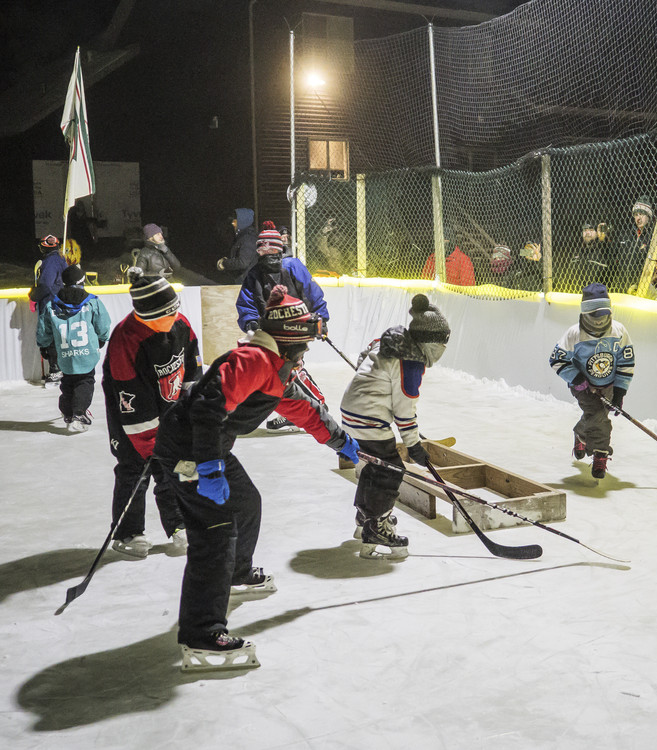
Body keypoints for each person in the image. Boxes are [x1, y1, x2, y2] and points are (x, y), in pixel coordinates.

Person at [154, 285, 359, 668]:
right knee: (214, 536)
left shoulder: (276, 367)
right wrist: (210, 467)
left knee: (247, 504)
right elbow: (208, 405)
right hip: (191, 449)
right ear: (291, 338)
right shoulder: (253, 360)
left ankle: (237, 574)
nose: (308, 351)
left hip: (209, 447)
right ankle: (202, 633)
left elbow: (304, 409)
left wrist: (339, 440)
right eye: (306, 342)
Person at [340, 294, 450, 559]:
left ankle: (365, 517)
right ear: (431, 342)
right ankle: (376, 526)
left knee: (376, 467)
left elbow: (364, 354)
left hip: (351, 412)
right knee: (391, 470)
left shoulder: (390, 343)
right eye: (443, 342)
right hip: (368, 419)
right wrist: (414, 446)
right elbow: (404, 411)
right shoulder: (411, 362)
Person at [103, 272, 203, 559]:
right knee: (136, 469)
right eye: (167, 313)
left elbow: (193, 368)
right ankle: (127, 531)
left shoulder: (179, 323)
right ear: (149, 315)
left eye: (176, 309)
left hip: (169, 410)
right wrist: (155, 448)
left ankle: (178, 524)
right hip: (131, 417)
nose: (175, 316)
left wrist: (191, 408)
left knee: (173, 468)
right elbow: (133, 403)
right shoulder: (127, 340)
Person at [236, 221, 330, 432]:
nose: (267, 253)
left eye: (272, 249)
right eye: (262, 249)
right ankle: (296, 410)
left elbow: (313, 294)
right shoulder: (254, 275)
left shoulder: (293, 266)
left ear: (280, 249)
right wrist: (251, 322)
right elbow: (246, 304)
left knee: (290, 369)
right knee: (276, 374)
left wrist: (321, 319)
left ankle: (317, 405)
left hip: (297, 328)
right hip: (271, 332)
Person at [549, 283, 635, 479]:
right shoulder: (574, 334)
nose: (600, 322)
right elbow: (556, 360)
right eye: (596, 317)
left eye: (604, 316)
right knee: (598, 416)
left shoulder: (619, 331)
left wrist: (620, 390)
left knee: (596, 416)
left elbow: (626, 361)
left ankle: (581, 434)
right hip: (583, 387)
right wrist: (576, 378)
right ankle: (600, 455)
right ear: (586, 314)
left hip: (609, 386)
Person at [35, 264, 111, 431]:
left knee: (68, 383)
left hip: (65, 354)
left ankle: (67, 412)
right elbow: (103, 324)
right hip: (86, 353)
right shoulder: (92, 302)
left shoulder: (51, 305)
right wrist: (102, 339)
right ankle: (78, 412)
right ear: (82, 281)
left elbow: (44, 329)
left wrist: (44, 345)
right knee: (85, 381)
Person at [29, 235, 69, 383]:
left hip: (51, 303)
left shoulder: (50, 262)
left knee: (50, 337)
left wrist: (34, 296)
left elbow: (46, 284)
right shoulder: (60, 259)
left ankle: (56, 369)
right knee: (57, 336)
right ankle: (60, 368)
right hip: (59, 302)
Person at [615, 196, 655, 294]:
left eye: (641, 214)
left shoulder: (652, 237)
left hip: (638, 289)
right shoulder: (626, 235)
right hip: (620, 286)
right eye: (636, 215)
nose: (638, 218)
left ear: (648, 217)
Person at [566, 222, 611, 291]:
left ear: (597, 233)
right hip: (577, 294)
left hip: (598, 295)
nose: (587, 233)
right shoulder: (576, 251)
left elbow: (608, 248)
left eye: (591, 230)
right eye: (585, 230)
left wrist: (602, 239)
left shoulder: (604, 250)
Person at [216, 208, 257, 284]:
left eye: (235, 221)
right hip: (243, 281)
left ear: (243, 222)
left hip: (246, 283)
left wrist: (225, 263)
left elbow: (243, 262)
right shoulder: (242, 237)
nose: (232, 224)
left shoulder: (248, 238)